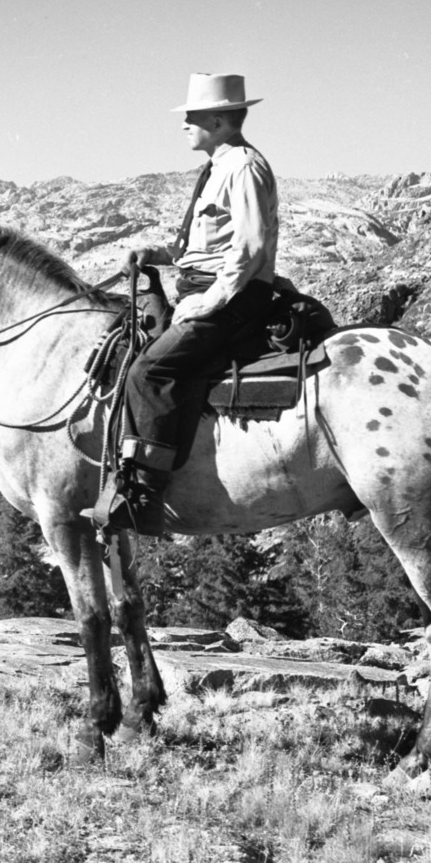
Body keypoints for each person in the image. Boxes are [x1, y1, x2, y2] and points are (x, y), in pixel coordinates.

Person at [89, 72, 281, 537]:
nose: (184, 126)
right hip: (207, 287)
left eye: (191, 117)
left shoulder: (243, 167)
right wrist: (156, 255)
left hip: (234, 296)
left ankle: (145, 499)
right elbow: (203, 245)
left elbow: (248, 251)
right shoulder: (216, 167)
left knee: (150, 371)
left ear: (217, 118)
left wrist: (207, 303)